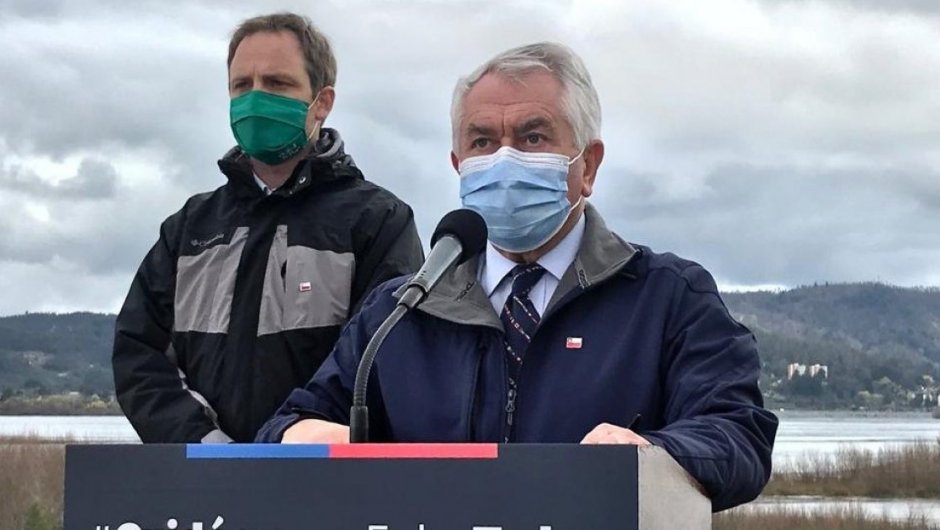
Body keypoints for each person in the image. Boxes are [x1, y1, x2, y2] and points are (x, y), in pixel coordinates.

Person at [256, 42, 777, 511]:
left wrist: (657, 456)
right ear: (458, 164)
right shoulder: (400, 314)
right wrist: (300, 438)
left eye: (533, 136)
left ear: (588, 166)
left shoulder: (668, 299)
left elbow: (738, 433)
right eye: (482, 141)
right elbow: (289, 423)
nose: (504, 157)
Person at [112, 13, 424, 444]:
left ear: (322, 101)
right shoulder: (188, 229)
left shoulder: (377, 221)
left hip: (323, 487)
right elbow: (139, 354)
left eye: (277, 84)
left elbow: (385, 359)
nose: (255, 99)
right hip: (202, 487)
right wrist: (201, 441)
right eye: (242, 86)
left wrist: (294, 440)